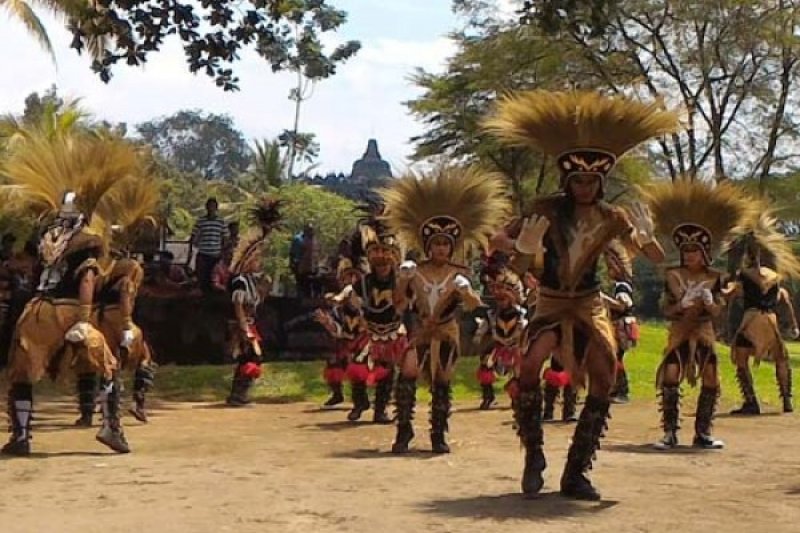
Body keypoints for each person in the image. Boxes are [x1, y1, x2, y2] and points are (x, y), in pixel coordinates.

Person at [486, 90, 676, 499]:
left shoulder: (613, 217)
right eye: (579, 180)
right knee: (531, 361)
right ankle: (533, 455)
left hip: (590, 302)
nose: (586, 186)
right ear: (567, 181)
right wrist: (519, 248)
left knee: (605, 375)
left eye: (593, 180)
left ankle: (576, 470)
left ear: (601, 182)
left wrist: (646, 239)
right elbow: (499, 240)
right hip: (551, 300)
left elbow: (656, 257)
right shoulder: (545, 208)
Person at [383, 166, 510, 454]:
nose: (441, 249)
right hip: (419, 332)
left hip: (446, 332)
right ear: (428, 246)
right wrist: (402, 281)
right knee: (408, 373)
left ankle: (438, 435)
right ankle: (403, 431)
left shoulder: (459, 272)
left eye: (445, 244)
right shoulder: (415, 270)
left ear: (451, 247)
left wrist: (466, 292)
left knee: (442, 380)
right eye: (436, 243)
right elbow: (399, 303)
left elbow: (476, 304)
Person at [4, 192, 129, 455]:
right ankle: (111, 427)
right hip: (70, 311)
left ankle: (21, 434)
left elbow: (32, 270)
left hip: (37, 310)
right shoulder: (88, 240)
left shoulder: (49, 236)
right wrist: (84, 319)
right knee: (107, 365)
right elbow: (87, 277)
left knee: (21, 371)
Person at [641, 179, 752, 451]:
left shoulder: (716, 277)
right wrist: (681, 305)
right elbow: (667, 310)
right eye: (685, 251)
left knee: (711, 377)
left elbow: (717, 312)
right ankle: (669, 432)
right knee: (670, 373)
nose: (688, 255)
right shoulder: (673, 275)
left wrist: (711, 301)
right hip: (679, 332)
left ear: (704, 254)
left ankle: (702, 432)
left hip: (703, 332)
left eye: (693, 251)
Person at [725, 209, 800, 415]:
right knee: (780, 358)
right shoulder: (775, 276)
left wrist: (722, 291)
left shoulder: (744, 275)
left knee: (740, 359)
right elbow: (784, 299)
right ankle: (787, 400)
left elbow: (731, 293)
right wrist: (793, 325)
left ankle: (751, 402)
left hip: (751, 321)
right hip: (770, 322)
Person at [224, 199, 281, 406]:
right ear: (248, 260)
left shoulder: (249, 281)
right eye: (256, 258)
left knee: (250, 357)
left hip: (248, 322)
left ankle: (238, 395)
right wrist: (244, 329)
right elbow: (238, 305)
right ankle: (238, 395)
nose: (259, 261)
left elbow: (256, 303)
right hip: (243, 324)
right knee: (250, 357)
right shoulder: (240, 280)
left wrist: (265, 288)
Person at [473, 263, 527, 410]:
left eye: (505, 294)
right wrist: (479, 334)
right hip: (499, 348)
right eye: (498, 295)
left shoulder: (521, 314)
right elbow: (485, 326)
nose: (500, 298)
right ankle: (488, 396)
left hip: (515, 348)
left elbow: (525, 329)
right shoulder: (492, 314)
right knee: (486, 363)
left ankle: (517, 397)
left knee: (518, 370)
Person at [190, 197, 229, 292]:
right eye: (209, 206)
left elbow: (225, 237)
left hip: (216, 255)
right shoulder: (200, 221)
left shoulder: (221, 221)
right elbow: (194, 235)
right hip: (203, 254)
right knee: (202, 278)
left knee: (214, 279)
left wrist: (223, 252)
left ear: (216, 208)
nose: (211, 208)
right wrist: (194, 245)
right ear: (206, 207)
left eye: (213, 206)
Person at [290, 223, 321, 298]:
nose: (311, 232)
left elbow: (316, 254)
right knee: (301, 286)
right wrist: (293, 265)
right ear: (305, 230)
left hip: (311, 268)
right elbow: (292, 253)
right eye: (309, 230)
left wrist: (317, 266)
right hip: (300, 266)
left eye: (312, 230)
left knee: (309, 287)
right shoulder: (298, 239)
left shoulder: (314, 240)